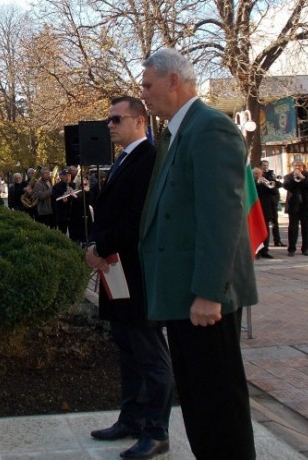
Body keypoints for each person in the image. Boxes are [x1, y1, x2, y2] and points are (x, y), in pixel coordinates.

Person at [139, 48, 258, 459]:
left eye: (148, 85)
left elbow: (221, 217)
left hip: (205, 300)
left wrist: (208, 292)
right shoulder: (179, 131)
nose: (143, 94)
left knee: (219, 407)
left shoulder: (210, 128)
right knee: (200, 406)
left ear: (175, 81)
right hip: (184, 296)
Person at [86, 96, 173, 459]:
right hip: (116, 270)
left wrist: (99, 246)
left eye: (116, 119)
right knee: (127, 350)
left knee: (150, 355)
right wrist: (98, 246)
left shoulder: (149, 158)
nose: (109, 125)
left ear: (140, 121)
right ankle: (131, 420)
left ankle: (156, 431)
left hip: (136, 271)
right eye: (109, 119)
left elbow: (138, 217)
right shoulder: (123, 158)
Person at [283, 160, 308, 256]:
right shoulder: (288, 176)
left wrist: (302, 178)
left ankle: (305, 248)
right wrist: (295, 178)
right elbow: (287, 186)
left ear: (303, 166)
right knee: (293, 228)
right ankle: (291, 249)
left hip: (305, 206)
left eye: (299, 165)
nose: (297, 167)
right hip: (294, 206)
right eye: (296, 165)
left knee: (306, 228)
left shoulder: (306, 175)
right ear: (293, 166)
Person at [252, 167, 277, 259]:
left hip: (266, 210)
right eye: (256, 174)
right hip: (255, 209)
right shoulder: (251, 184)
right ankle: (256, 250)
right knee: (255, 230)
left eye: (259, 174)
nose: (258, 175)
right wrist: (257, 184)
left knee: (265, 230)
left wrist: (267, 184)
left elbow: (274, 192)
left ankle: (265, 250)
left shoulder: (266, 182)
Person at [260, 160, 284, 246]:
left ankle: (277, 240)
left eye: (267, 165)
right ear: (261, 166)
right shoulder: (260, 175)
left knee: (275, 223)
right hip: (264, 202)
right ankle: (264, 243)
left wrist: (275, 181)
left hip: (273, 201)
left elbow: (280, 185)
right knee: (265, 223)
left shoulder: (272, 174)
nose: (266, 167)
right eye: (264, 165)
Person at [52, 169, 74, 234]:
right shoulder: (56, 187)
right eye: (66, 176)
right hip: (62, 214)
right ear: (61, 176)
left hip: (72, 214)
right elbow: (54, 199)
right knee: (62, 232)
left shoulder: (74, 185)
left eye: (69, 175)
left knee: (73, 233)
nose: (68, 177)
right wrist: (63, 196)